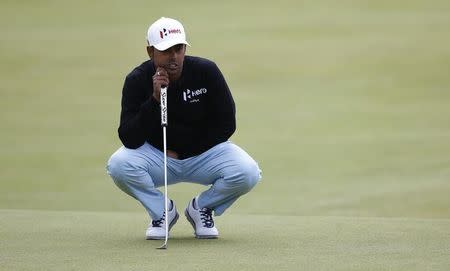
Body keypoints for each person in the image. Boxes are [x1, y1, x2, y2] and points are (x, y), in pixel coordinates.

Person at [106, 17, 261, 240]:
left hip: (202, 155)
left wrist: (185, 151)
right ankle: (162, 211)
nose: (174, 56)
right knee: (118, 165)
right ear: (150, 52)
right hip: (159, 158)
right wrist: (154, 101)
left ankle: (201, 209)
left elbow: (227, 123)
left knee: (248, 172)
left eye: (178, 49)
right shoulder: (136, 80)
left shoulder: (206, 71)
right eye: (166, 50)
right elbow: (129, 137)